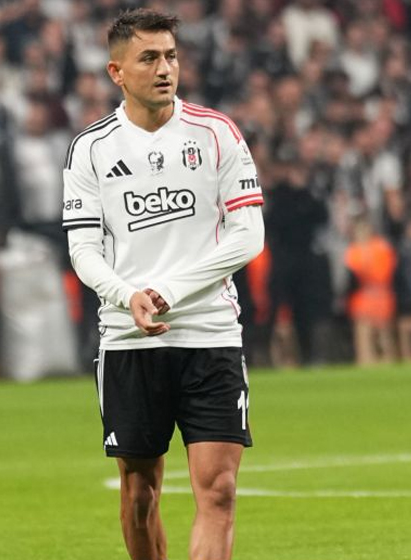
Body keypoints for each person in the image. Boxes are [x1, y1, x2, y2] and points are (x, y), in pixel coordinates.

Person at [62, 10, 264, 560]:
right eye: (149, 58)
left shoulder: (216, 133)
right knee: (140, 496)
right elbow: (83, 250)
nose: (164, 68)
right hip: (130, 339)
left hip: (210, 333)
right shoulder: (91, 148)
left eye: (171, 56)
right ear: (116, 72)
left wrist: (169, 292)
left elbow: (248, 236)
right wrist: (127, 296)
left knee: (219, 491)